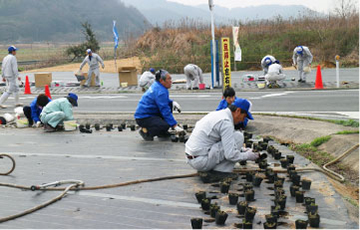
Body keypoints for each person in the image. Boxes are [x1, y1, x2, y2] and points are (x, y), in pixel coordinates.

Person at [185, 98, 259, 180]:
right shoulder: (226, 122)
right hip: (201, 161)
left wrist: (242, 150)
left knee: (235, 138)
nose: (242, 120)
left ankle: (214, 169)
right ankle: (221, 172)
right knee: (238, 136)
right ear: (238, 111)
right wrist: (247, 156)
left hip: (194, 158)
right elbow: (230, 155)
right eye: (244, 116)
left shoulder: (218, 114)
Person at [134, 69, 183, 141]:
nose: (171, 81)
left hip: (150, 113)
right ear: (161, 80)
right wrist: (174, 125)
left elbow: (162, 101)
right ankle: (146, 132)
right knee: (165, 125)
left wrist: (172, 102)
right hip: (144, 117)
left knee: (170, 105)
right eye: (169, 79)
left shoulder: (158, 86)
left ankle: (162, 133)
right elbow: (164, 110)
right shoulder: (160, 91)